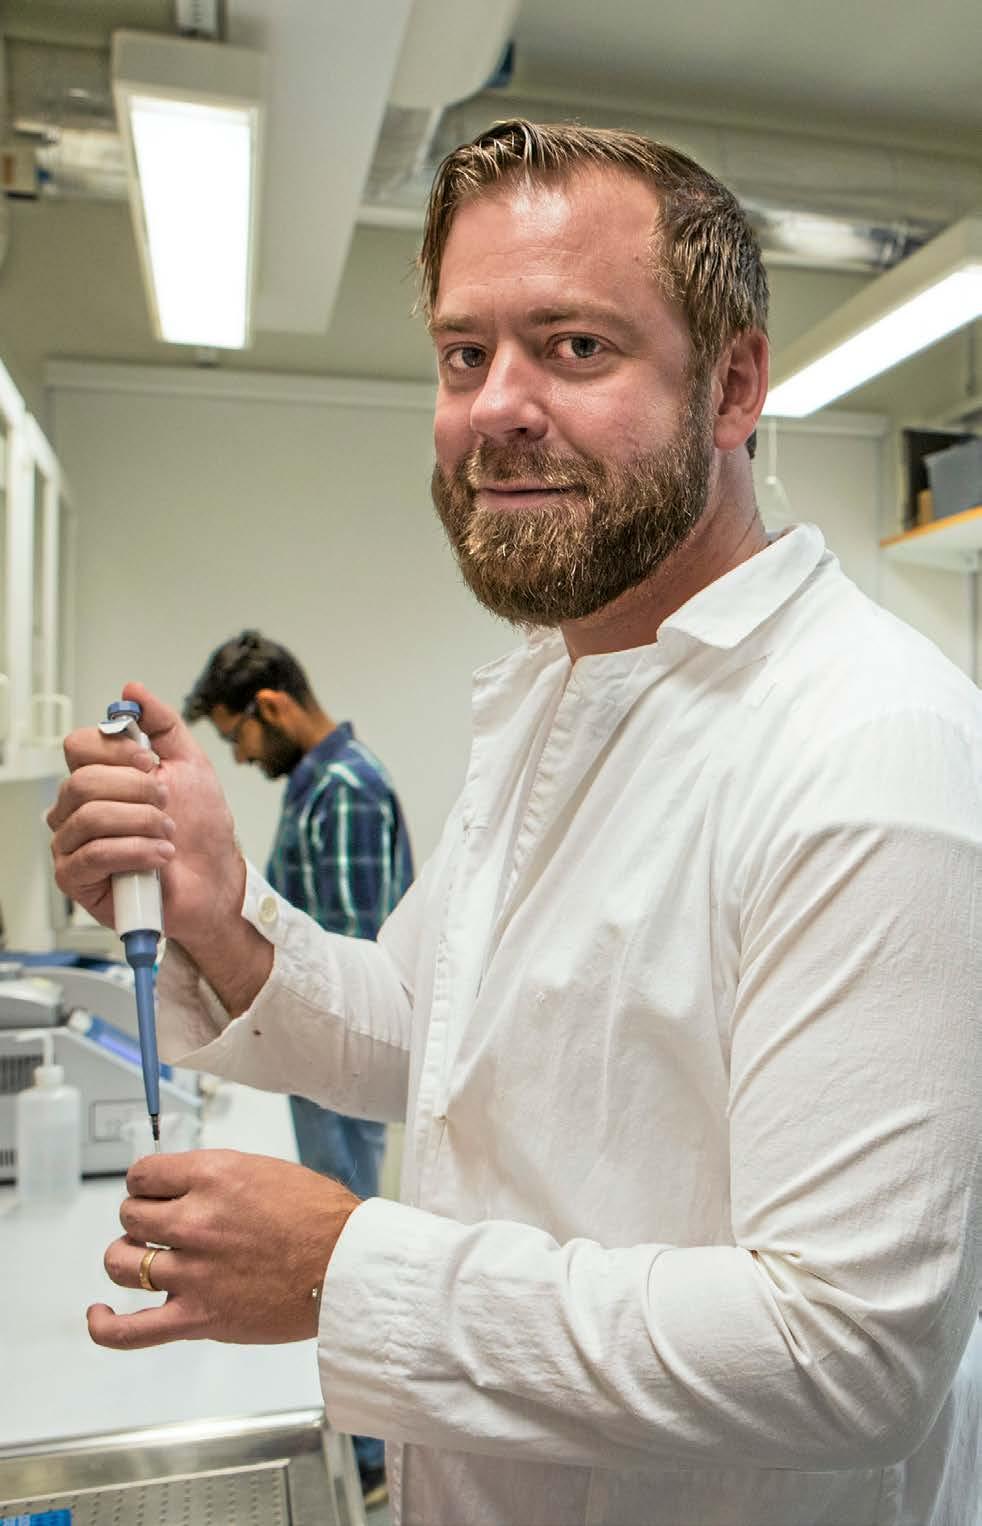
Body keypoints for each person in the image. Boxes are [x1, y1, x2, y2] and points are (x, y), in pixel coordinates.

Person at [48, 120, 980, 1526]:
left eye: (575, 346)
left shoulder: (869, 748)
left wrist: (342, 1268)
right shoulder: (561, 687)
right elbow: (419, 1027)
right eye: (462, 353)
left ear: (731, 385)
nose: (495, 405)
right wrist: (216, 911)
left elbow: (842, 1351)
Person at [182, 629, 414, 1508]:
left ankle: (366, 1463)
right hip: (322, 1070)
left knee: (338, 1261)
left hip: (340, 1070)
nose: (240, 757)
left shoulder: (345, 790)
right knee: (333, 1253)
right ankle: (362, 1450)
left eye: (237, 735)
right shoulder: (320, 786)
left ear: (270, 706)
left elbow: (352, 967)